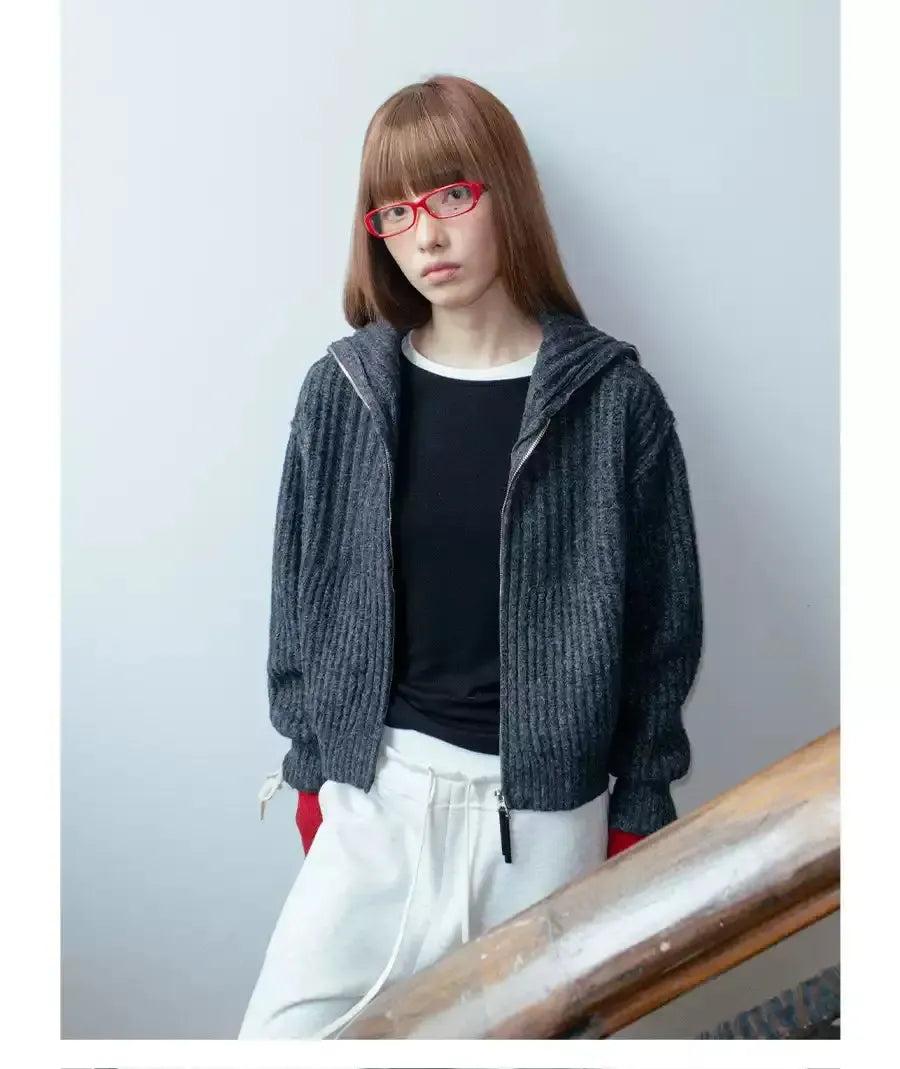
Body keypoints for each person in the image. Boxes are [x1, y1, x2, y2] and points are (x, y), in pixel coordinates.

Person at [238, 73, 703, 1040]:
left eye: (452, 195)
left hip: (547, 828)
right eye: (396, 212)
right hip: (378, 797)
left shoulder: (614, 402)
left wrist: (639, 807)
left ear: (506, 192)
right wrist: (314, 770)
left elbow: (662, 632)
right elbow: (299, 596)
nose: (428, 237)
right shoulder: (344, 392)